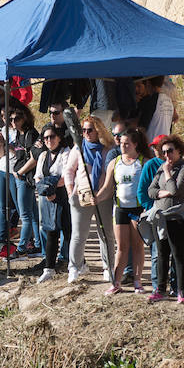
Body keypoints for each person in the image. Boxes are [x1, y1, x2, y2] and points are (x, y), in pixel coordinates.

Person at [64, 115, 116, 283]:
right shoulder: (78, 148)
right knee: (79, 234)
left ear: (98, 131)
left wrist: (103, 193)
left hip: (104, 196)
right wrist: (71, 191)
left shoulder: (107, 149)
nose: (86, 133)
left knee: (106, 233)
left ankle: (108, 267)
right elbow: (69, 171)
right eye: (83, 130)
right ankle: (74, 267)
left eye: (89, 130)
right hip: (82, 195)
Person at [96, 129, 147, 294]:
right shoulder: (115, 162)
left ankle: (137, 281)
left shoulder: (143, 162)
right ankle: (116, 282)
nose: (123, 146)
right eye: (121, 143)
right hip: (120, 208)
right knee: (122, 246)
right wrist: (96, 198)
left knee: (138, 245)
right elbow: (107, 188)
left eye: (127, 144)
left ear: (135, 144)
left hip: (138, 209)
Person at [147, 134, 184, 303]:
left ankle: (181, 291)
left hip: (177, 217)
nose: (166, 155)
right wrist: (164, 192)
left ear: (179, 151)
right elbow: (151, 191)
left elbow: (177, 191)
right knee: (161, 254)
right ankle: (160, 289)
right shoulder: (161, 167)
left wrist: (167, 174)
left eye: (170, 151)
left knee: (178, 254)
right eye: (164, 152)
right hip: (161, 217)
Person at [0, 103, 40, 259]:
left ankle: (22, 248)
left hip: (24, 177)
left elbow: (34, 157)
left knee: (25, 215)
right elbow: (14, 152)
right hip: (19, 175)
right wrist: (2, 142)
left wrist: (20, 172)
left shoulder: (30, 134)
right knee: (33, 214)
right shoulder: (19, 134)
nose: (13, 122)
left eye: (17, 119)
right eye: (11, 119)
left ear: (25, 118)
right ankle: (38, 245)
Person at [35, 125, 71, 283]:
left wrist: (52, 188)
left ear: (59, 137)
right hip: (48, 197)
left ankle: (77, 263)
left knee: (68, 231)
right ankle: (49, 268)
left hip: (64, 197)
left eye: (52, 137)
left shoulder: (66, 153)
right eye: (46, 138)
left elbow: (66, 176)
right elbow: (37, 177)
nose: (49, 140)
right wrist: (47, 191)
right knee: (51, 231)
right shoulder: (43, 155)